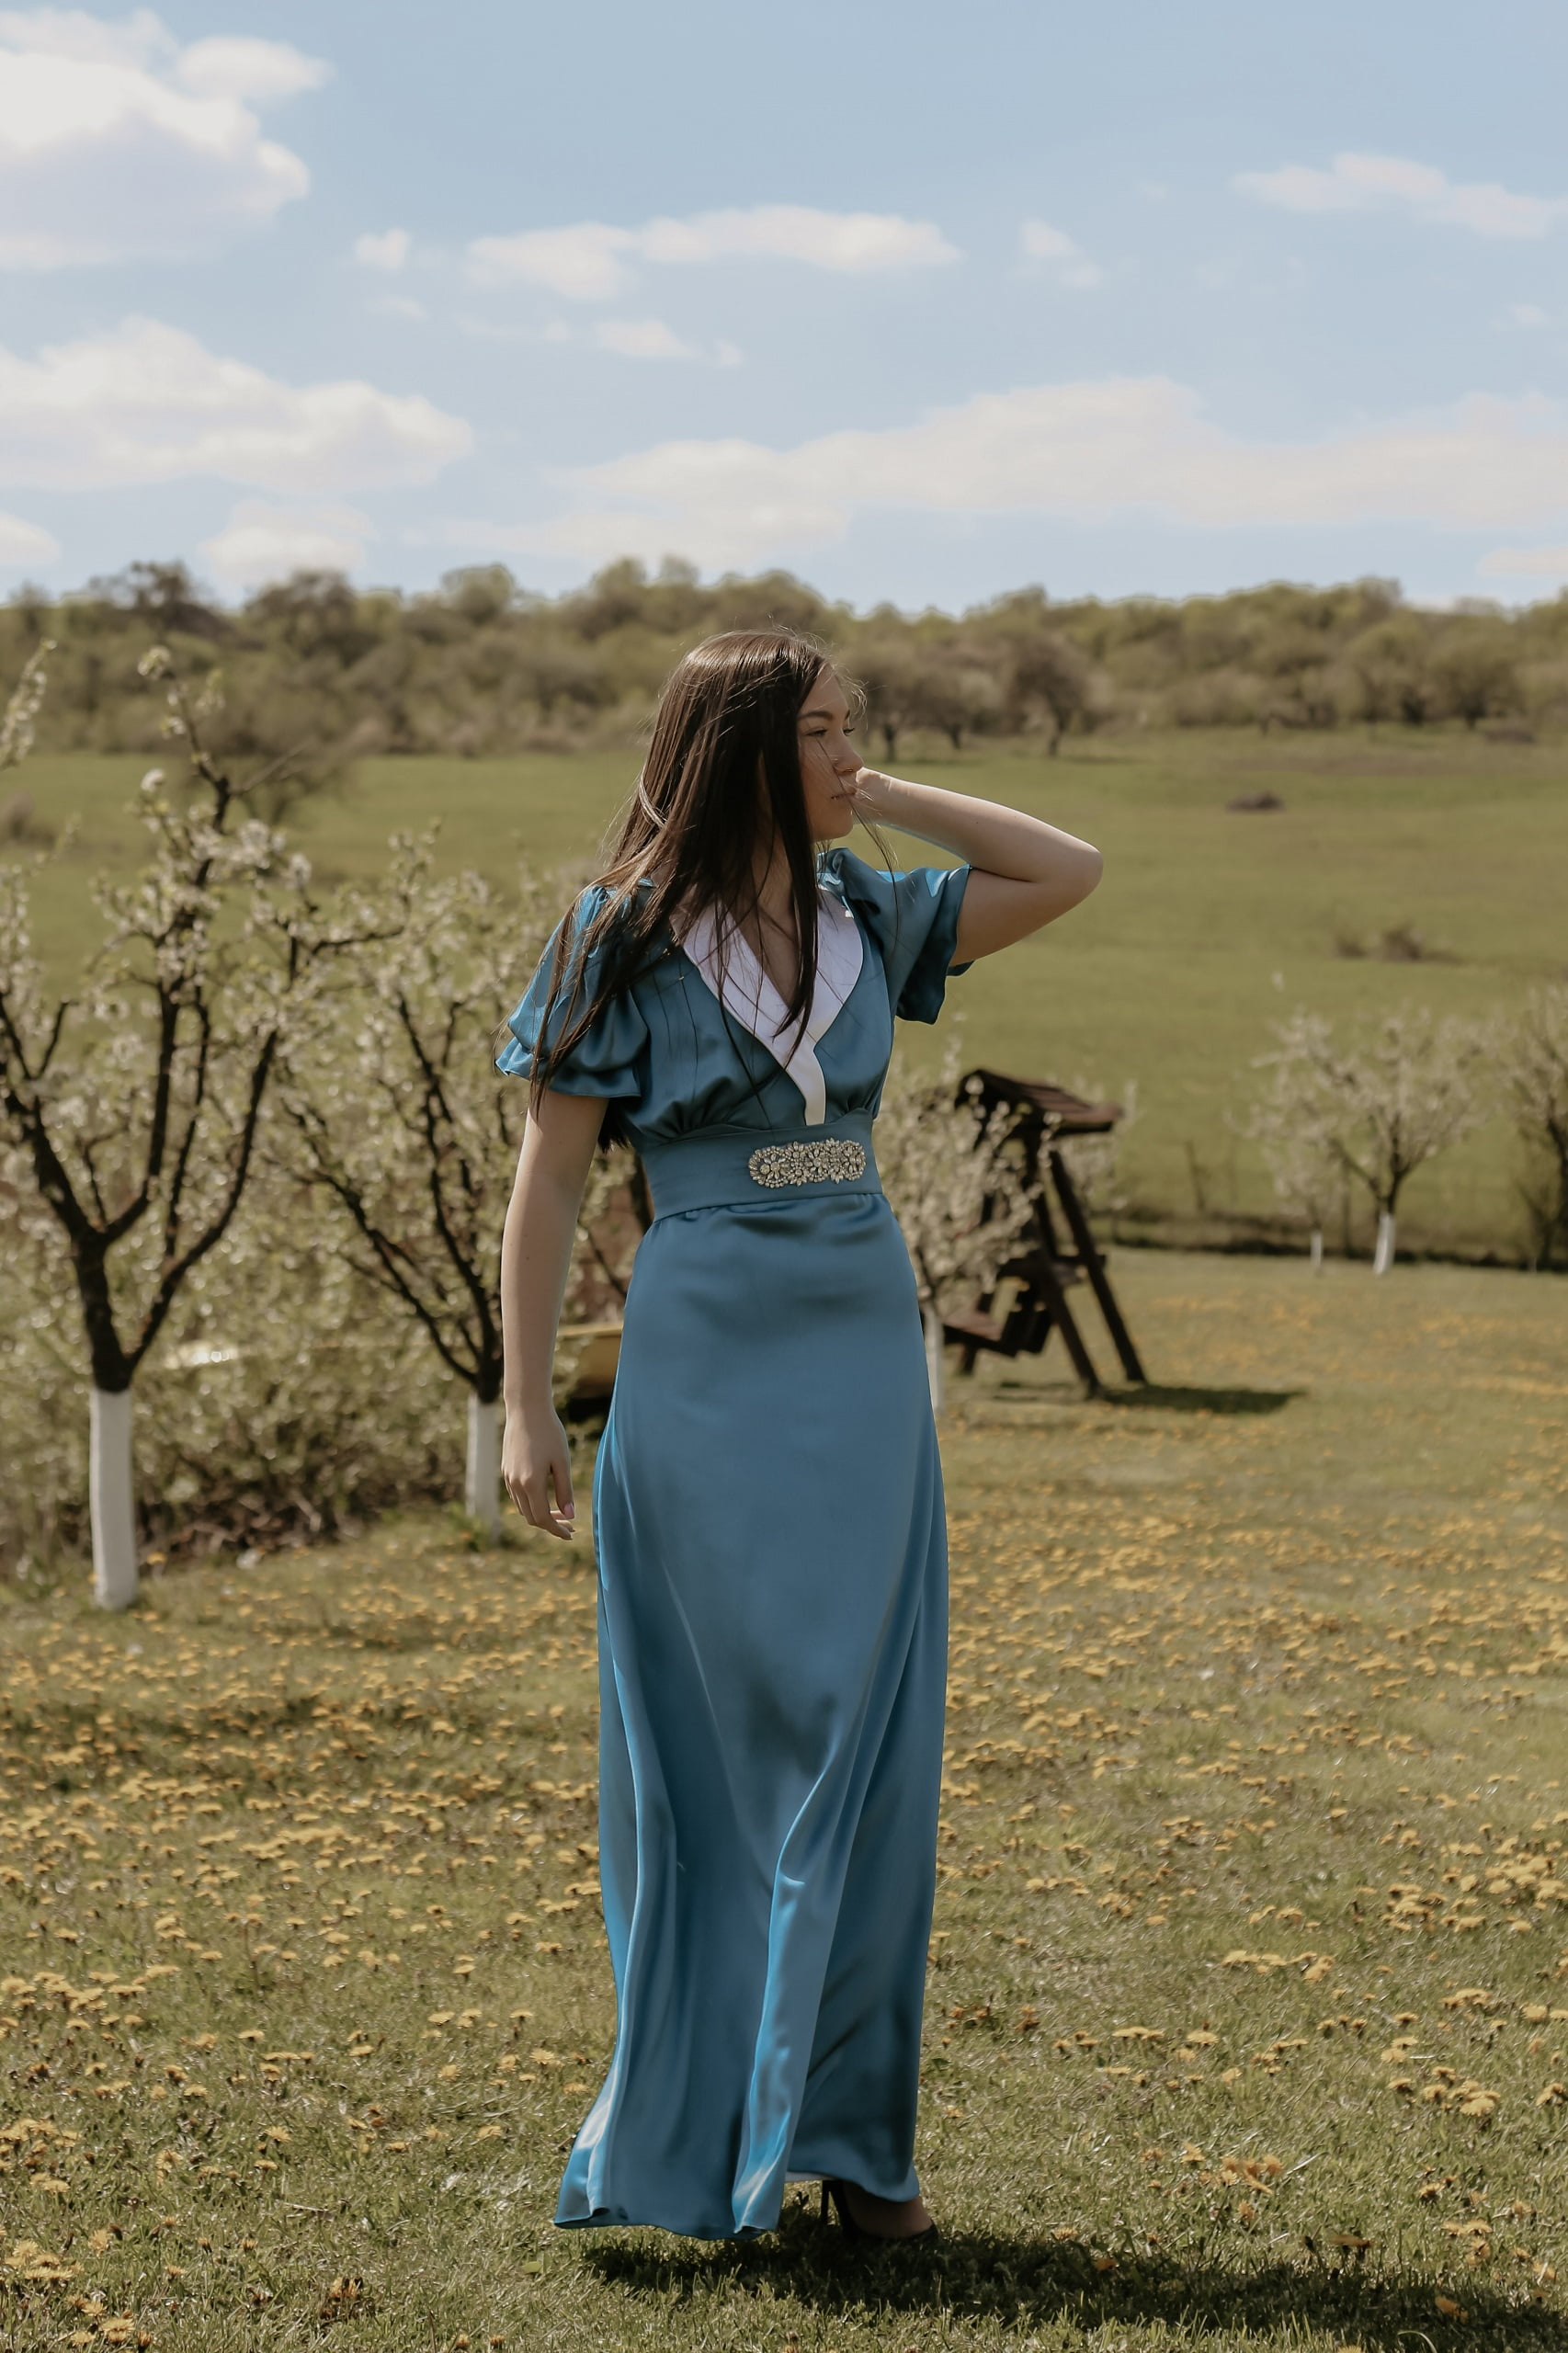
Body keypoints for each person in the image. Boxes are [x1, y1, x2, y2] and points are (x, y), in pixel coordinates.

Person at [496, 629, 1101, 2243]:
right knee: (718, 1756)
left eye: (854, 729)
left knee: (867, 1750)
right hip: (700, 1362)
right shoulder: (617, 934)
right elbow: (547, 1186)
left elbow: (1067, 867)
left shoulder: (868, 914)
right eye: (820, 732)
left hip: (859, 1357)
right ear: (739, 751)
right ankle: (694, 2141)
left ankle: (855, 2148)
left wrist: (872, 790)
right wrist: (526, 1404)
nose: (848, 754)